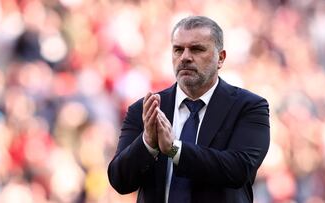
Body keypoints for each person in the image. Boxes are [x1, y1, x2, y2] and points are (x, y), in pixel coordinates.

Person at [107, 15, 270, 203]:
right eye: (178, 50)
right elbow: (120, 181)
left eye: (197, 49)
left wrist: (175, 150)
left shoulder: (249, 107)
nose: (185, 57)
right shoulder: (146, 109)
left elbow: (238, 169)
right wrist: (147, 144)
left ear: (221, 58)